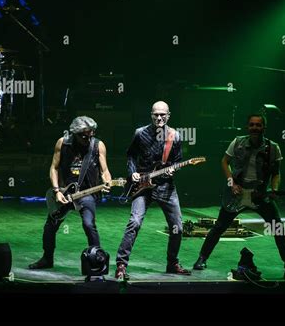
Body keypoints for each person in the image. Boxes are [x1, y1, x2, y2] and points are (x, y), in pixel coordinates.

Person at [193, 113, 285, 280]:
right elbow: (224, 162)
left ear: (264, 127)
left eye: (258, 125)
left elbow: (276, 173)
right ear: (247, 127)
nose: (255, 128)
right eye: (252, 125)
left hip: (259, 195)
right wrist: (231, 183)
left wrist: (274, 189)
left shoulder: (273, 148)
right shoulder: (237, 142)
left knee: (279, 229)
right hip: (237, 194)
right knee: (219, 227)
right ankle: (202, 259)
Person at [115, 101, 191, 280]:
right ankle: (121, 264)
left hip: (166, 186)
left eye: (162, 115)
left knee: (177, 228)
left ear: (168, 116)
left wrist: (173, 168)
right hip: (142, 185)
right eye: (156, 114)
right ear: (151, 115)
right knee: (134, 222)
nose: (159, 118)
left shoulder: (175, 136)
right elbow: (131, 155)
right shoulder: (140, 134)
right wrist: (132, 172)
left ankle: (172, 263)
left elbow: (177, 160)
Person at [29, 116, 111, 269]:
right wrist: (56, 191)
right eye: (84, 136)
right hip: (65, 193)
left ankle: (98, 260)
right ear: (75, 133)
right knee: (50, 226)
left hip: (86, 193)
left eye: (91, 134)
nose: (88, 138)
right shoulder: (63, 143)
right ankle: (47, 259)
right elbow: (53, 167)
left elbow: (104, 170)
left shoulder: (98, 145)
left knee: (88, 224)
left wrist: (107, 182)